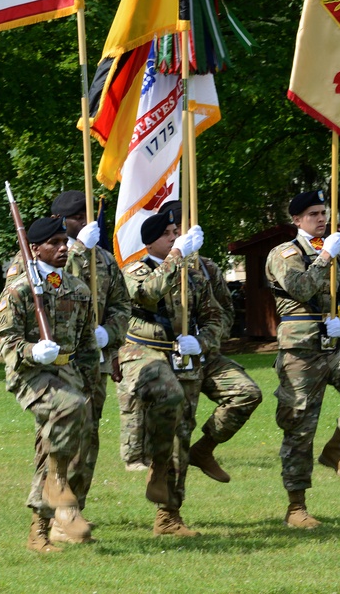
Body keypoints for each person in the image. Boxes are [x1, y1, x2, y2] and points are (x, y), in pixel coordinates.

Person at [264, 190, 340, 530]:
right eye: (313, 214)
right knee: (300, 426)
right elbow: (299, 288)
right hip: (300, 349)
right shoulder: (284, 253)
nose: (321, 219)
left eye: (323, 213)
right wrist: (324, 259)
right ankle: (296, 507)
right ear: (297, 220)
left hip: (333, 344)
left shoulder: (336, 253)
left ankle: (337, 446)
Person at [0, 216, 97, 553]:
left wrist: (90, 384)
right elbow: (6, 343)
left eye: (65, 241)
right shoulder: (19, 289)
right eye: (54, 243)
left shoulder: (77, 289)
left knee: (63, 447)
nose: (63, 248)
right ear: (34, 248)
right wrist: (32, 351)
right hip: (30, 374)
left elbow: (85, 346)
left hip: (68, 375)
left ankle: (44, 528)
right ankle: (56, 494)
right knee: (69, 408)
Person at [118, 211, 223, 537]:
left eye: (177, 232)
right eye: (168, 234)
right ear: (151, 241)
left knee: (183, 436)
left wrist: (201, 342)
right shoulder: (134, 269)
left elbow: (215, 316)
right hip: (144, 355)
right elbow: (147, 293)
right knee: (169, 400)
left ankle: (169, 516)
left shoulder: (192, 275)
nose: (175, 237)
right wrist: (177, 255)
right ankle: (156, 461)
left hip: (183, 358)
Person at [154, 200, 263, 484]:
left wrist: (202, 343)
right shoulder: (147, 269)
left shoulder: (207, 268)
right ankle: (168, 514)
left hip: (203, 355)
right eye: (179, 230)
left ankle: (204, 449)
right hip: (166, 359)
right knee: (179, 431)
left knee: (246, 392)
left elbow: (225, 315)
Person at [50, 190, 132, 504]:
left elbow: (121, 305)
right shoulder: (47, 256)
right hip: (60, 361)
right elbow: (55, 291)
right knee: (64, 433)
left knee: (89, 435)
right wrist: (79, 250)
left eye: (89, 215)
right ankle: (53, 507)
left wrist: (109, 335)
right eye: (78, 217)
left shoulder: (105, 260)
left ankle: (76, 506)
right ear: (60, 221)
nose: (87, 222)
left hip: (93, 361)